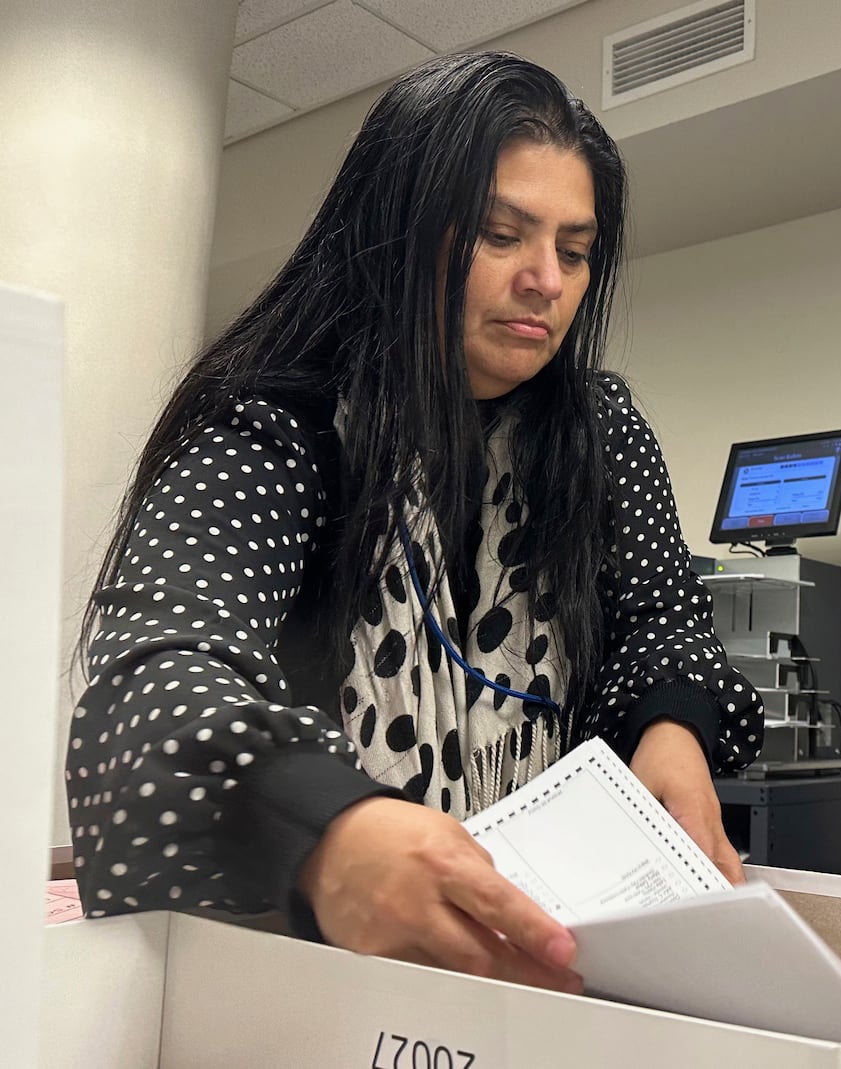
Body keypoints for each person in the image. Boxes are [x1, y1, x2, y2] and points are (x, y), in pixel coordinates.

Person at [66, 52, 763, 991]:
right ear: (399, 234)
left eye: (574, 248)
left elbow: (662, 624)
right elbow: (159, 678)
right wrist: (330, 829)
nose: (545, 280)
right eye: (499, 234)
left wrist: (670, 729)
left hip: (546, 953)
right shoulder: (277, 422)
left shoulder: (600, 433)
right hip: (315, 971)